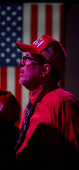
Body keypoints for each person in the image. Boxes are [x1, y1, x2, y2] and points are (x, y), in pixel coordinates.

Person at [15, 34, 79, 169]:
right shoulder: (32, 104)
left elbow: (75, 155)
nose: (21, 63)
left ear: (45, 70)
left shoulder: (63, 102)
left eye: (27, 59)